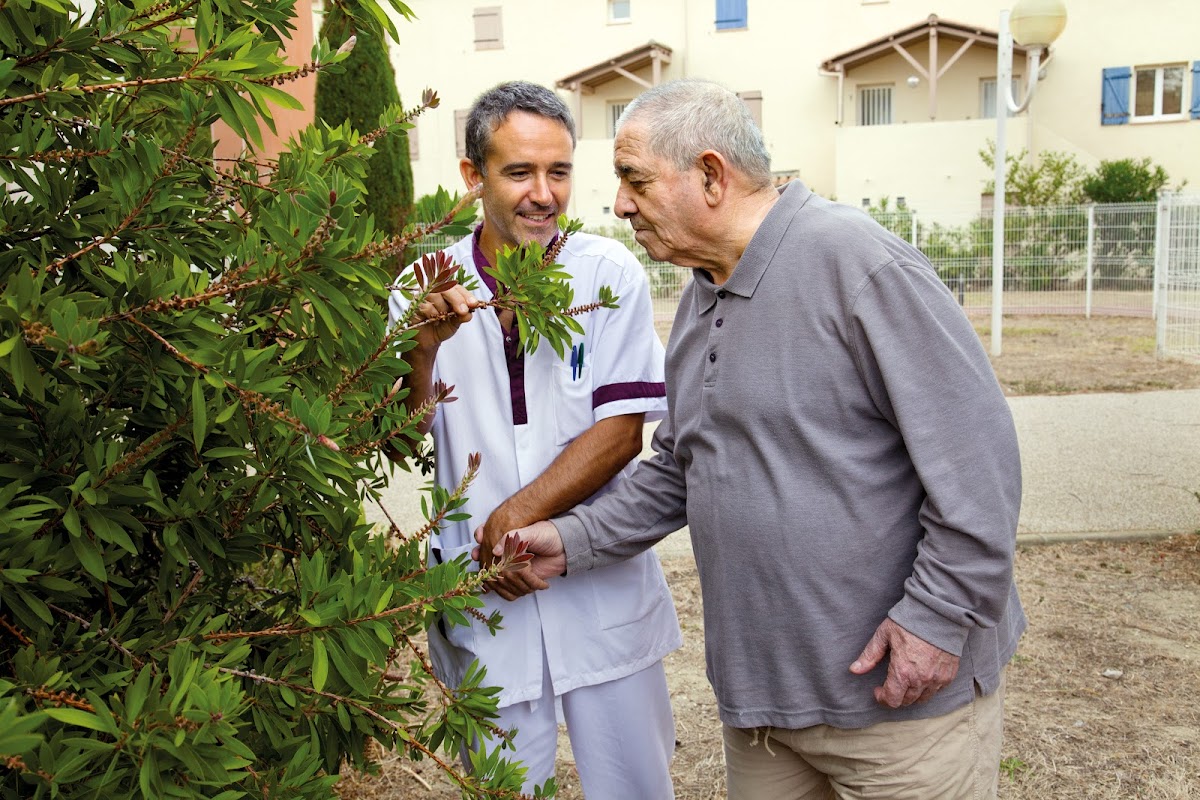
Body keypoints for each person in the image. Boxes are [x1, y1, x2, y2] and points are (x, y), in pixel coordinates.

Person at [484, 78, 1026, 800]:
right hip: (764, 711)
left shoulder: (857, 264)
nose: (616, 204)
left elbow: (978, 467)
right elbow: (680, 469)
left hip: (900, 710)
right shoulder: (703, 290)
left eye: (634, 179)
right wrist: (571, 538)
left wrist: (936, 619)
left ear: (711, 175)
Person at [387, 81, 680, 797]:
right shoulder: (422, 285)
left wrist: (513, 524)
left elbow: (618, 435)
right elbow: (398, 438)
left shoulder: (606, 274)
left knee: (636, 786)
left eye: (559, 171)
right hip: (487, 602)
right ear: (472, 176)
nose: (543, 193)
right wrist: (422, 348)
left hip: (598, 589)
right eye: (519, 172)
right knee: (503, 788)